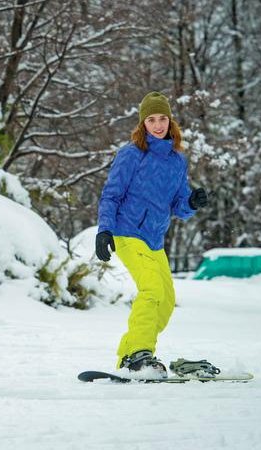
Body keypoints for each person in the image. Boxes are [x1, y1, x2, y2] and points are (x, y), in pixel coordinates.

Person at [96, 91, 208, 378]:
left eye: (162, 119)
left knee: (166, 301)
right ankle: (139, 354)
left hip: (155, 240)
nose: (157, 125)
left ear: (170, 121)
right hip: (127, 232)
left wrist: (192, 202)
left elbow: (179, 205)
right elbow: (111, 195)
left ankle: (129, 353)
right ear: (142, 124)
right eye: (151, 120)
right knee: (151, 291)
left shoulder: (176, 161)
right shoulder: (131, 155)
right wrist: (104, 229)